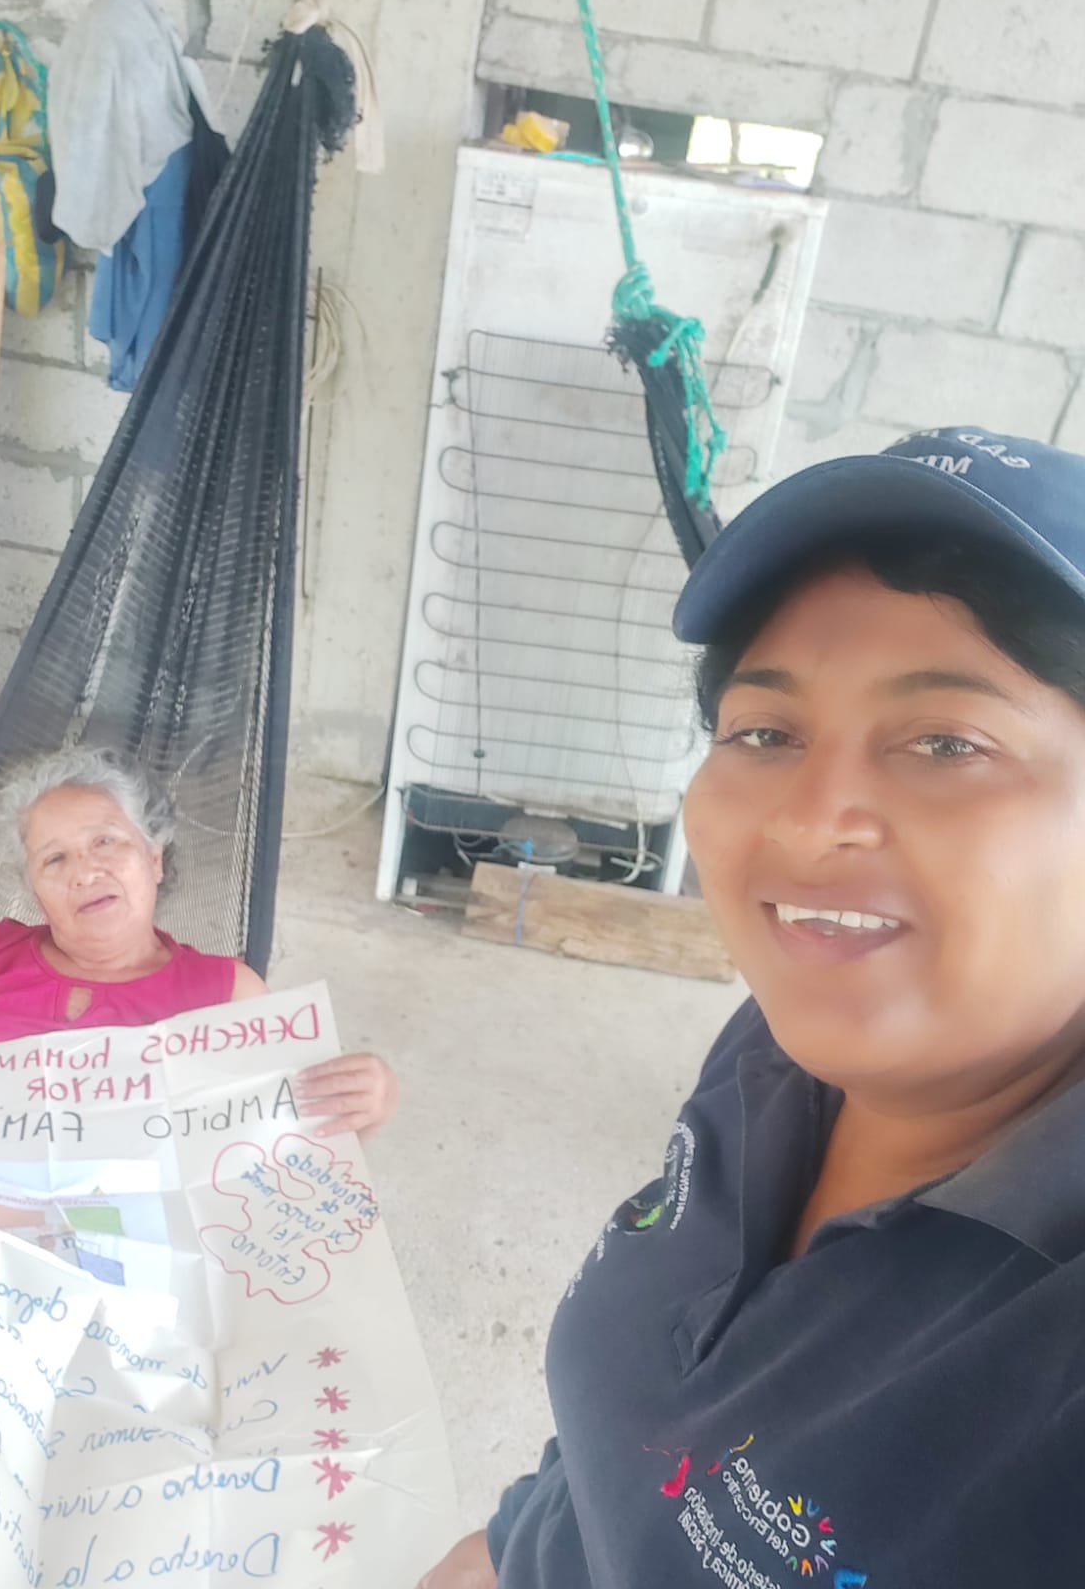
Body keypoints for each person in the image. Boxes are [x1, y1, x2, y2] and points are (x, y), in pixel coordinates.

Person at [420, 426, 1085, 1588]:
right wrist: (512, 1543)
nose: (809, 819)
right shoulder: (773, 1049)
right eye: (765, 732)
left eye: (946, 741)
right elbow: (642, 1424)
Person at [0, 747, 396, 1136]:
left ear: (154, 859)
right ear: (36, 893)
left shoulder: (226, 994)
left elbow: (296, 1144)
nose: (85, 872)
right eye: (55, 859)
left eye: (105, 841)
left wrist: (369, 1104)